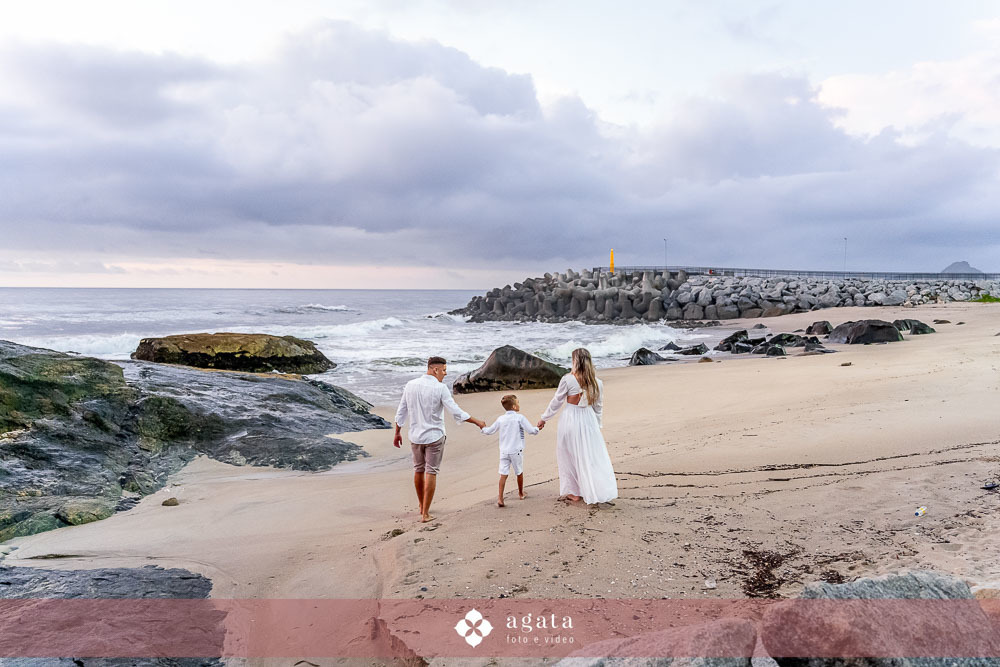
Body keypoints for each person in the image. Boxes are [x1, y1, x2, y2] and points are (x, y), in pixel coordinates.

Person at [394, 356, 485, 522]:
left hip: (415, 436)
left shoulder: (410, 385)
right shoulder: (440, 388)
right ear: (434, 369)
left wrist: (397, 432)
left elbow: (401, 411)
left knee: (418, 469)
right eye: (443, 370)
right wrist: (477, 421)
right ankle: (425, 514)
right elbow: (455, 411)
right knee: (431, 471)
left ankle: (422, 506)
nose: (445, 373)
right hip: (434, 436)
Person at [537, 348, 618, 505]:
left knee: (568, 455)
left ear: (575, 361)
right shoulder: (597, 383)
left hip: (571, 420)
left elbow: (556, 402)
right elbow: (598, 407)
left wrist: (544, 418)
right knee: (589, 456)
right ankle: (592, 489)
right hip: (589, 420)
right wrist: (597, 426)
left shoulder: (568, 379)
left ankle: (575, 493)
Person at [481, 394, 541, 507]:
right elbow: (531, 431)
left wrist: (483, 428)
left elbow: (489, 431)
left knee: (503, 474)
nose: (519, 405)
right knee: (519, 472)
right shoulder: (520, 418)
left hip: (504, 451)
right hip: (516, 450)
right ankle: (521, 493)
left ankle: (500, 498)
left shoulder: (500, 419)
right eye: (518, 403)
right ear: (514, 406)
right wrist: (538, 428)